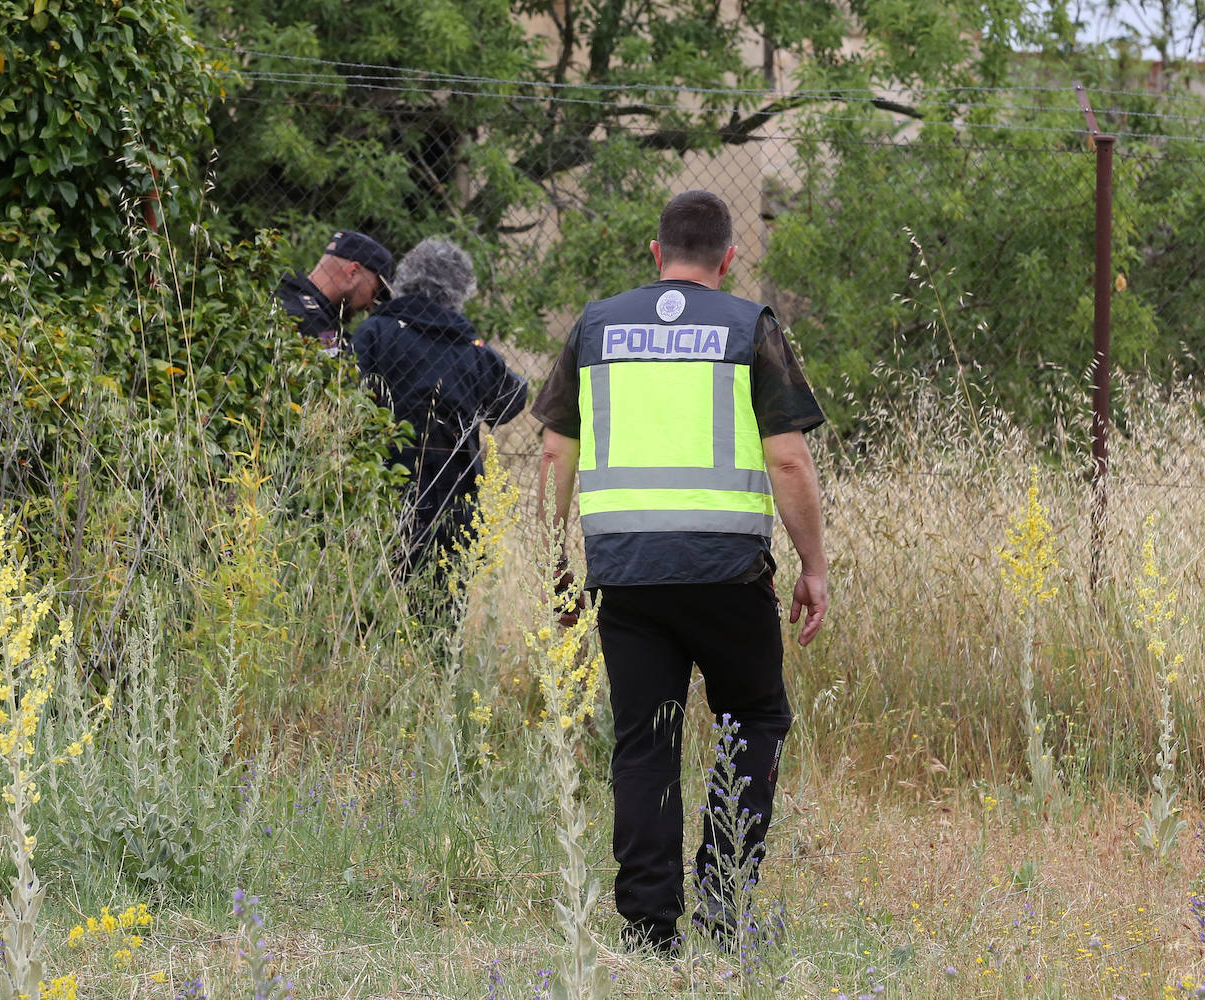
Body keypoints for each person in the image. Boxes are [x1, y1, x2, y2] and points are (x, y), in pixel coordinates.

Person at [533, 190, 828, 954]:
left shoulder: (595, 327)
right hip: (728, 571)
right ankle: (725, 907)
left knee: (644, 741)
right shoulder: (748, 326)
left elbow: (554, 452)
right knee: (753, 720)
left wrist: (553, 561)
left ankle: (648, 929)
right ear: (730, 259)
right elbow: (789, 458)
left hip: (626, 574)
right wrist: (814, 565)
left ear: (655, 253)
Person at [351, 238, 528, 584]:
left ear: (406, 276)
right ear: (461, 289)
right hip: (452, 506)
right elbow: (511, 399)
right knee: (441, 613)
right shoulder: (473, 353)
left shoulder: (375, 333)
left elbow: (346, 390)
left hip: (376, 496)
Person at [276, 230, 394, 351]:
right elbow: (337, 364)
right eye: (374, 293)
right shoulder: (311, 321)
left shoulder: (281, 293)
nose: (371, 306)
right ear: (353, 273)